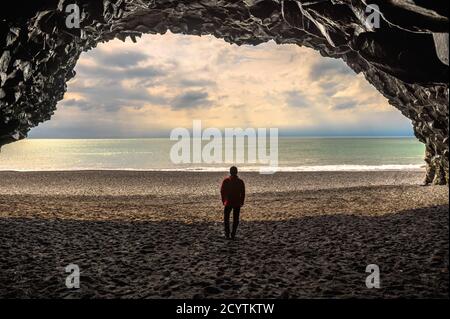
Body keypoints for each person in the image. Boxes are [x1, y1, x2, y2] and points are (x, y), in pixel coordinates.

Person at [220, 166, 245, 240]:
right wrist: (242, 201)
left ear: (230, 172)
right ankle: (233, 234)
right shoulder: (240, 181)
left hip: (228, 202)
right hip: (237, 202)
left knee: (226, 218)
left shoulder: (226, 181)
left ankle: (227, 234)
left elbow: (222, 191)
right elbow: (243, 193)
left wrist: (223, 200)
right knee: (235, 219)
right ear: (237, 172)